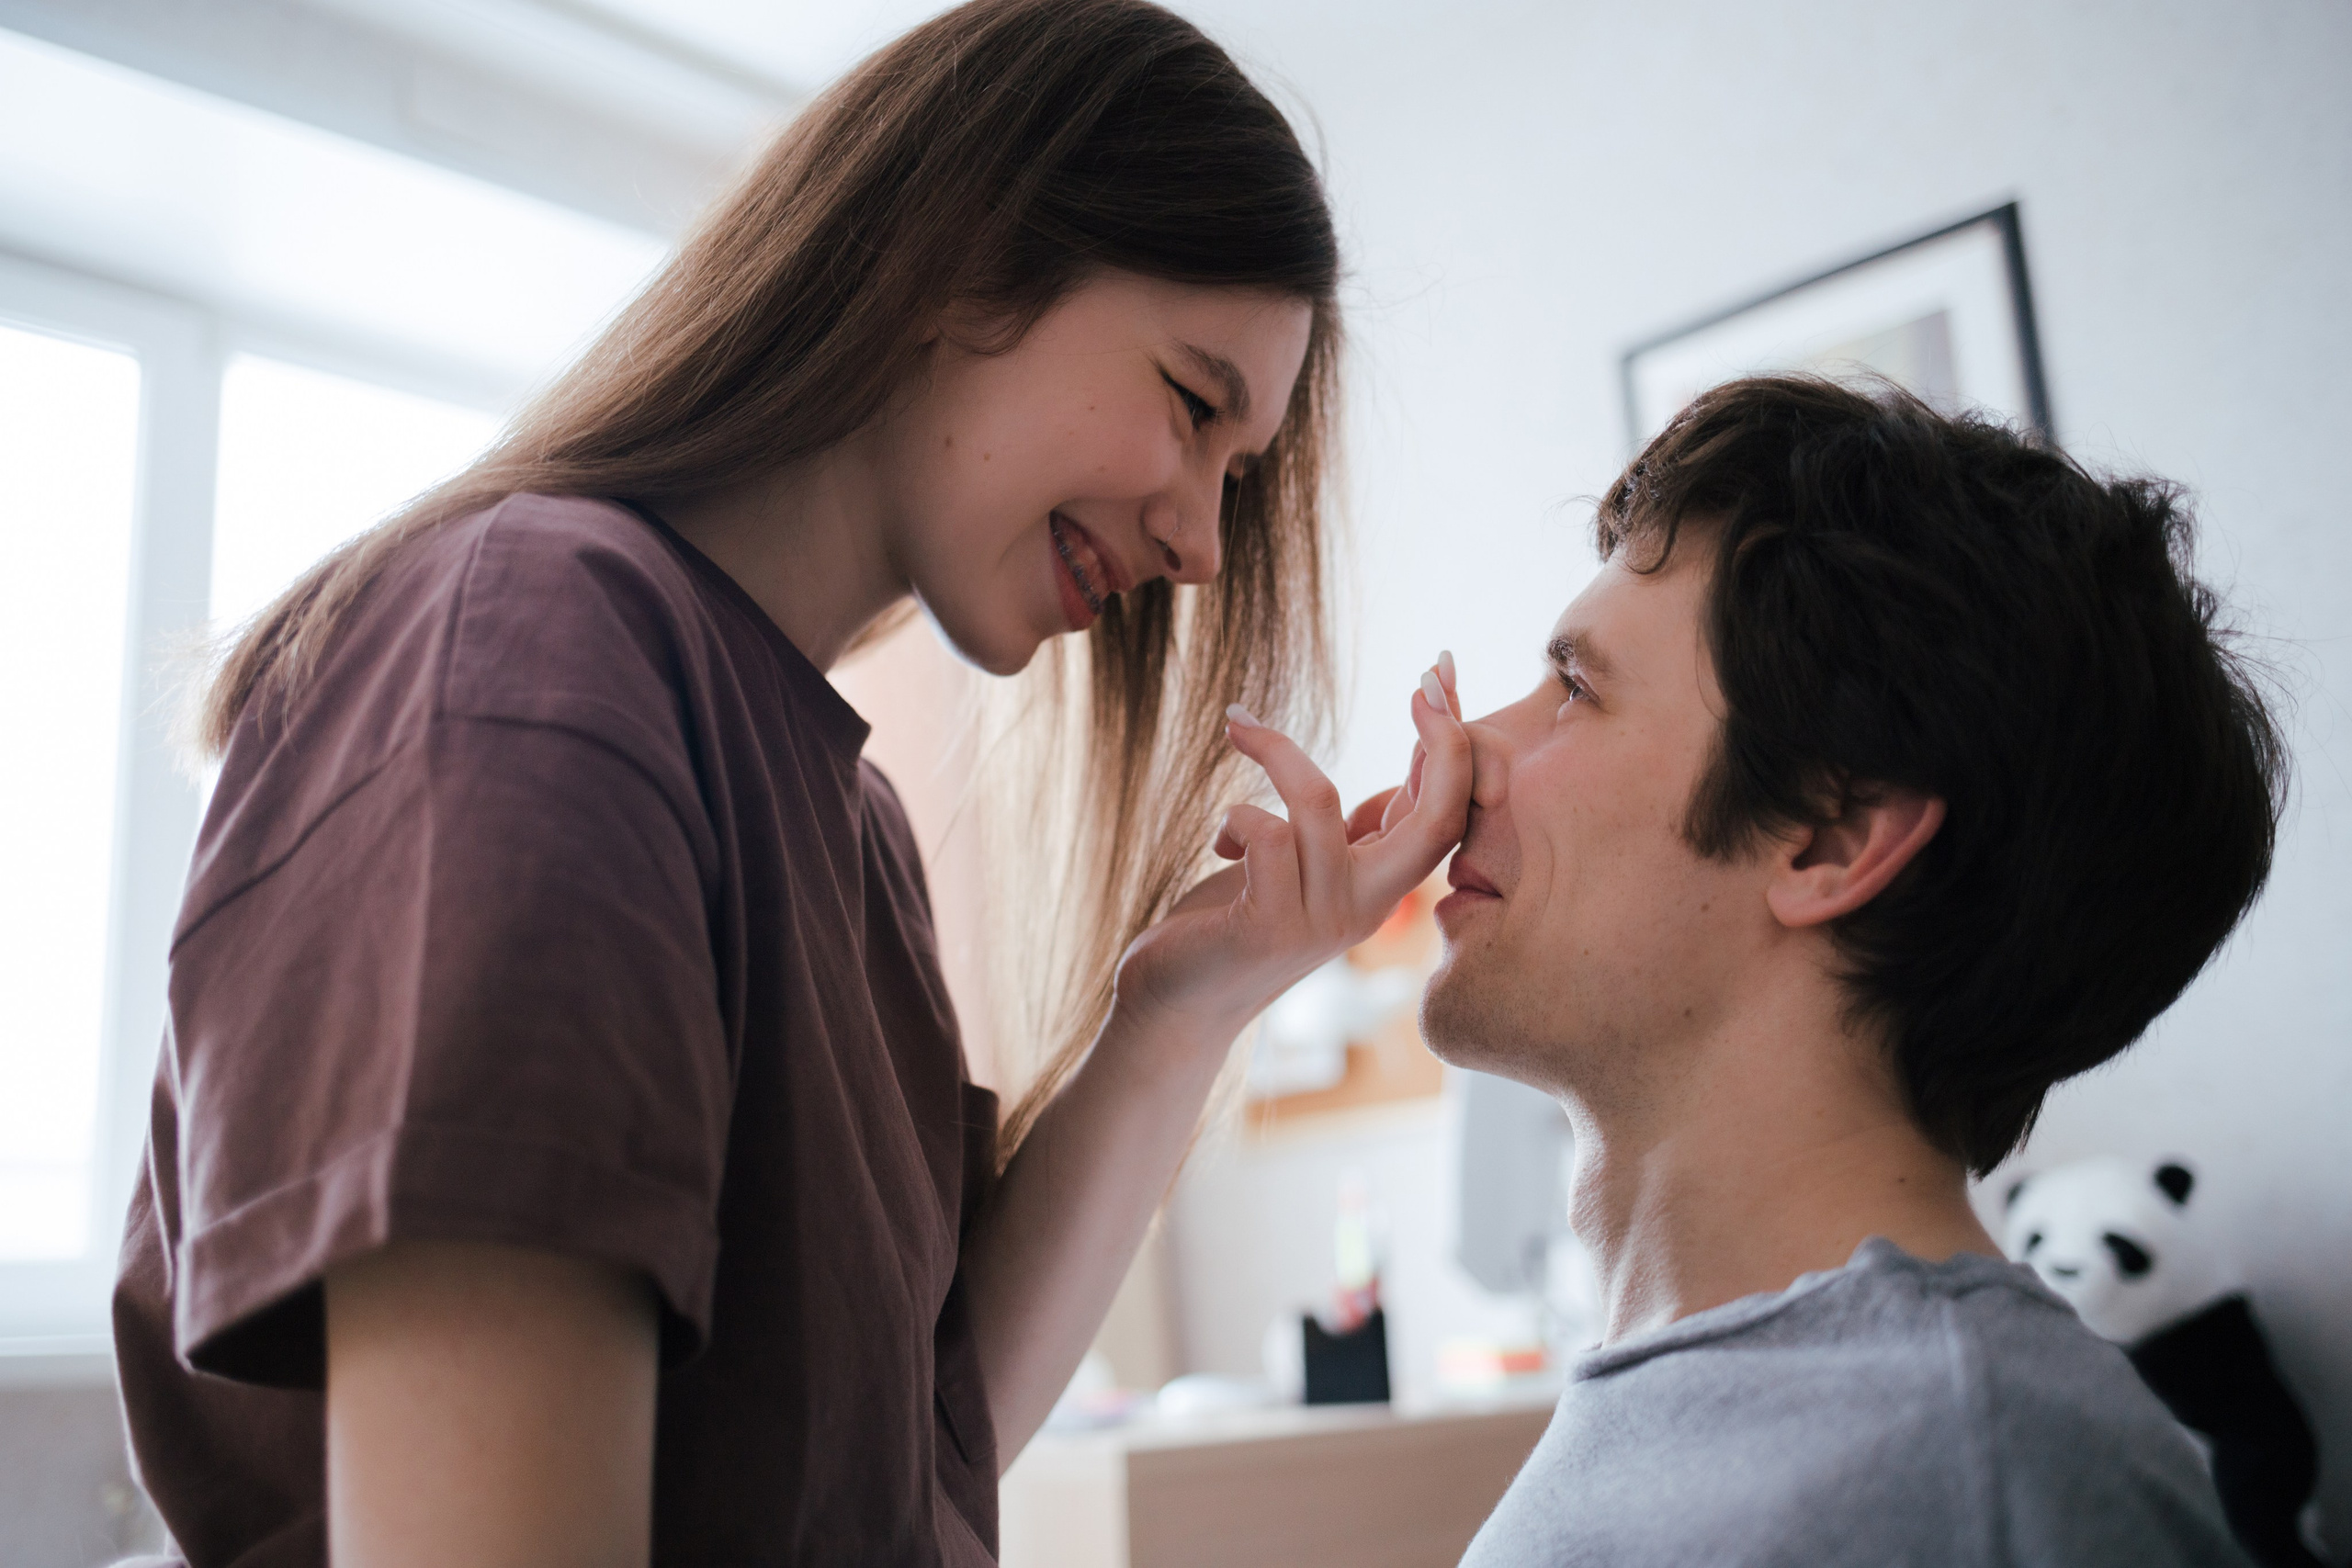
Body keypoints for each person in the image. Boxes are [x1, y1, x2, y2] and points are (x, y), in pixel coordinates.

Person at [110, 3, 1471, 1563]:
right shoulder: (536, 664)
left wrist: (1181, 1015)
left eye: (1238, 477)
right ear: (961, 254)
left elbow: (923, 1450)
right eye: (1189, 402)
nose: (1202, 545)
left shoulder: (850, 824)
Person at [1426, 377, 2283, 1567]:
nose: (1467, 752)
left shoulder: (1943, 1473)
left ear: (1829, 840)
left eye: (1576, 690)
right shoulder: (1762, 1418)